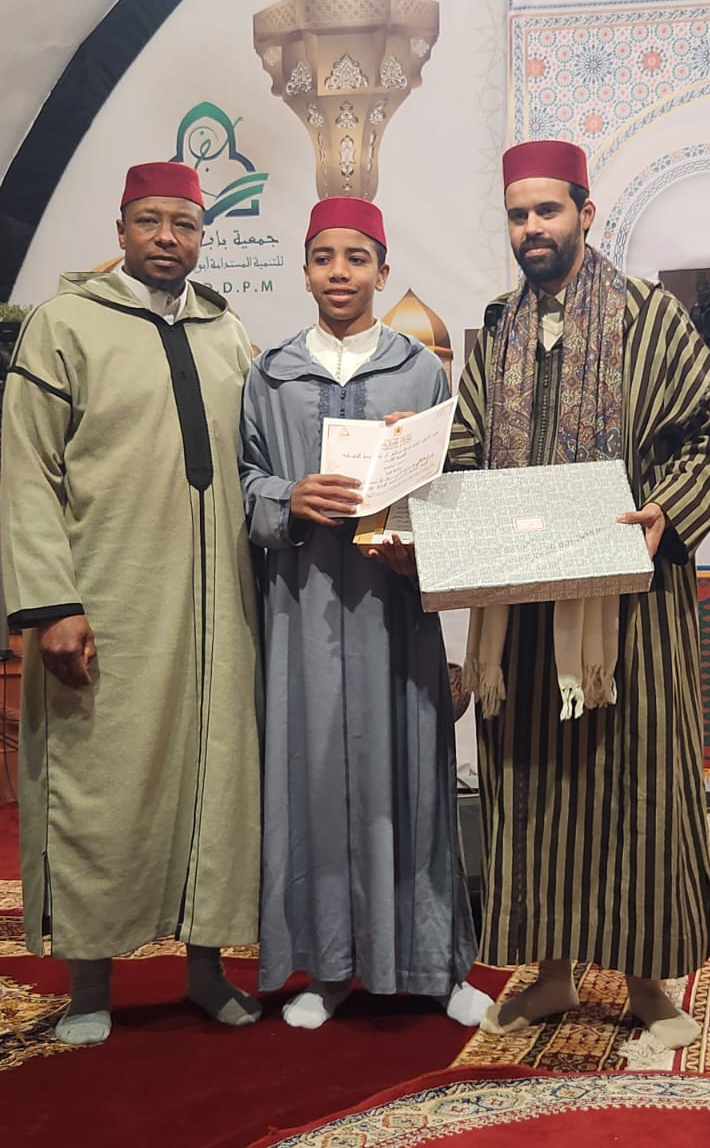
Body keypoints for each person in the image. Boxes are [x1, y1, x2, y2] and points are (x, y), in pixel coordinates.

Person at [450, 139, 710, 1049]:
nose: (531, 229)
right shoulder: (497, 329)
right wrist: (430, 489)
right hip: (519, 610)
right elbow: (465, 448)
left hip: (629, 607)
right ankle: (548, 976)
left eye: (547, 210)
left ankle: (650, 986)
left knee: (635, 781)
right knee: (531, 786)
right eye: (517, 215)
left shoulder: (649, 320)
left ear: (586, 213)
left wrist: (668, 511)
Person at [1, 161, 263, 1046]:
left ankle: (207, 970)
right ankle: (88, 986)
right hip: (108, 597)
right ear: (120, 230)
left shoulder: (227, 331)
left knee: (214, 779)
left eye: (184, 225)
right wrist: (52, 605)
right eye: (149, 222)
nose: (166, 239)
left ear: (202, 236)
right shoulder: (63, 325)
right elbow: (29, 472)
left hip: (219, 605)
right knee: (100, 781)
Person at [239, 196, 489, 1029]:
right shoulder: (271, 372)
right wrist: (288, 495)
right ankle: (330, 968)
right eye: (323, 258)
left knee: (413, 774)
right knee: (314, 781)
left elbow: (454, 486)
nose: (339, 273)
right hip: (304, 603)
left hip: (393, 608)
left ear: (383, 270)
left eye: (355, 258)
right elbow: (244, 482)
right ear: (304, 270)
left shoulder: (421, 372)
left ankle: (436, 965)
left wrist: (420, 496)